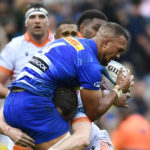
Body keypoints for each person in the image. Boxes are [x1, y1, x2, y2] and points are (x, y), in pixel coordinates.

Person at [3, 22, 133, 150]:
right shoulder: (90, 65)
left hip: (12, 103)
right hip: (35, 107)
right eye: (119, 50)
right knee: (79, 142)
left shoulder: (69, 42)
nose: (118, 56)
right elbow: (92, 113)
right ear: (105, 43)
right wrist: (118, 89)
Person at [0, 2, 54, 149]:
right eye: (32, 17)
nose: (37, 20)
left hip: (53, 115)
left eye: (41, 16)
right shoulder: (14, 46)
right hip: (21, 117)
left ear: (48, 21)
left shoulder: (58, 43)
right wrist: (11, 94)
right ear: (26, 22)